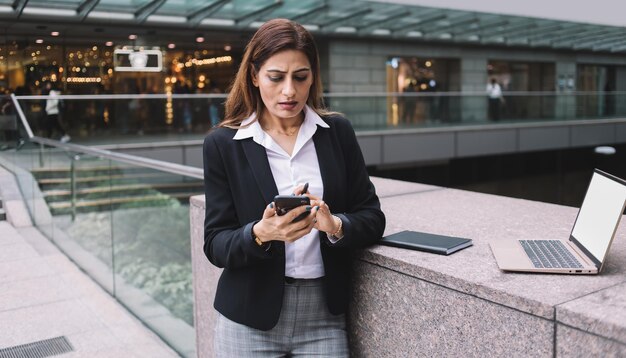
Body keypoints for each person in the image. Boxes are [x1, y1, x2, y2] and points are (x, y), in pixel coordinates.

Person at [202, 18, 385, 357]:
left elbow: (372, 217)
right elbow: (215, 244)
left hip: (323, 317)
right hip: (247, 318)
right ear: (254, 76)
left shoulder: (337, 132)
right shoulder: (223, 144)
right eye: (276, 77)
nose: (290, 91)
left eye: (300, 77)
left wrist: (335, 225)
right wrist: (261, 232)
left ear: (313, 77)